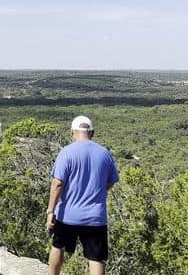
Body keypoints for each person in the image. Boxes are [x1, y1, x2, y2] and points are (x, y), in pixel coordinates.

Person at [45, 115, 120, 275]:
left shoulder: (66, 152)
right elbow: (111, 182)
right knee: (95, 258)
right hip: (95, 217)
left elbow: (57, 183)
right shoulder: (104, 154)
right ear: (92, 133)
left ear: (73, 132)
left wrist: (50, 211)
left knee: (58, 246)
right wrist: (96, 192)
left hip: (67, 214)